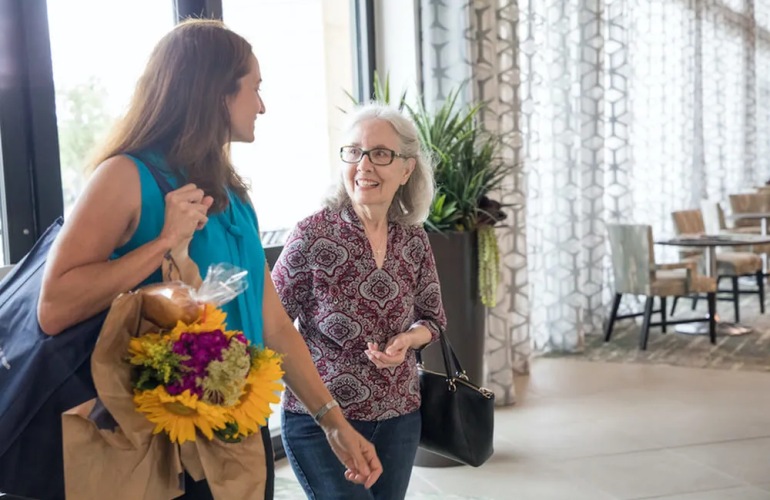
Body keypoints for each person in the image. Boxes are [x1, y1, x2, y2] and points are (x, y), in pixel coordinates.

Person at [37, 19, 381, 499]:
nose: (262, 105)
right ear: (218, 92)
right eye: (254, 88)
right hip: (157, 442)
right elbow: (54, 307)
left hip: (237, 432)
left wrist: (333, 422)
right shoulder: (124, 177)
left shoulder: (232, 194)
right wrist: (162, 242)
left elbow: (275, 325)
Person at [271, 103, 447, 500]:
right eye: (354, 151)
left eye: (380, 154)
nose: (364, 165)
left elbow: (433, 319)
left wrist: (408, 341)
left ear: (406, 169)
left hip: (400, 416)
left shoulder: (412, 237)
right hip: (321, 421)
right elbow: (270, 324)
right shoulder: (312, 235)